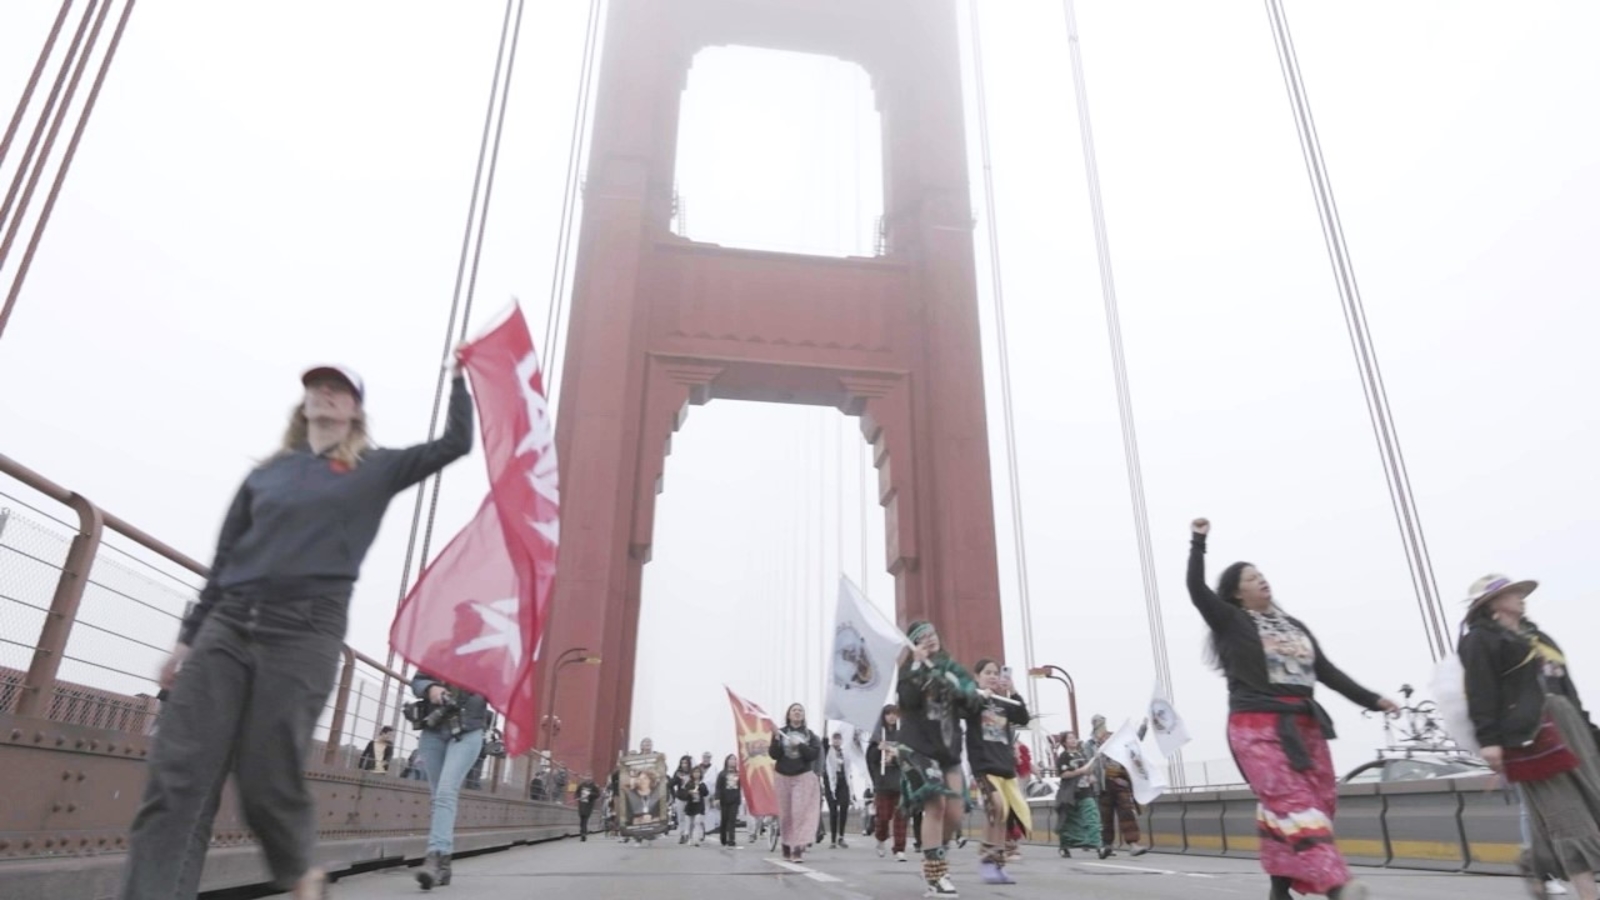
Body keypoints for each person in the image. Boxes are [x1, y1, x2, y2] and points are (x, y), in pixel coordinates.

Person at [117, 359, 473, 900]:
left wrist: (458, 381)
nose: (327, 394)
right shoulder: (267, 474)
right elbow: (226, 558)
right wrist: (188, 636)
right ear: (303, 403)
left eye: (340, 390)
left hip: (305, 629)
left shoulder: (375, 468)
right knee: (176, 778)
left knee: (266, 778)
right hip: (230, 624)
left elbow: (454, 444)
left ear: (355, 410)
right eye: (317, 388)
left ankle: (301, 874)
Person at [1187, 517, 1395, 900]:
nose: (1260, 580)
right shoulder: (1231, 621)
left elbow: (1327, 672)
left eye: (1261, 574)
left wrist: (1374, 700)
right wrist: (1197, 542)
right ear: (1235, 594)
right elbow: (1197, 590)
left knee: (1316, 805)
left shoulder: (1293, 625)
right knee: (1294, 804)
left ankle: (1279, 887)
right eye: (1250, 578)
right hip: (1256, 727)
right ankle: (1337, 885)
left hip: (1305, 726)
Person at [1459, 574, 1600, 900]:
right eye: (1513, 593)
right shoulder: (1480, 640)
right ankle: (1587, 892)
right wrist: (1489, 739)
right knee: (1567, 814)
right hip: (1531, 734)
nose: (1522, 597)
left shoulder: (1539, 637)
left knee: (1593, 803)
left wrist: (1589, 730)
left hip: (1569, 725)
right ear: (1492, 603)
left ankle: (1537, 862)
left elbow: (1566, 688)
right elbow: (1480, 692)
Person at [897, 620, 982, 898]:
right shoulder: (909, 671)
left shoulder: (953, 669)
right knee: (936, 804)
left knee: (955, 813)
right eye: (920, 637)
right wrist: (917, 666)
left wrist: (960, 691)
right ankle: (936, 874)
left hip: (948, 750)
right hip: (919, 748)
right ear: (913, 644)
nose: (928, 639)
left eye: (931, 633)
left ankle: (935, 855)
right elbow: (907, 700)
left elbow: (973, 704)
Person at [410, 672, 492, 890]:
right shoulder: (440, 647)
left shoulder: (490, 655)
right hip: (433, 730)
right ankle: (444, 865)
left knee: (446, 792)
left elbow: (503, 691)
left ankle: (434, 860)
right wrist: (430, 688)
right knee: (438, 796)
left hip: (468, 731)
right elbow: (417, 679)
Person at [965, 659, 1031, 884]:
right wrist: (979, 696)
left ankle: (998, 864)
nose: (992, 676)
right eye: (987, 672)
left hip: (1004, 765)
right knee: (997, 807)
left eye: (995, 673)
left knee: (1004, 815)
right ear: (977, 676)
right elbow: (963, 710)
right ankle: (986, 860)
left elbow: (1023, 718)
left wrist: (1012, 690)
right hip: (984, 765)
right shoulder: (974, 699)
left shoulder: (1002, 703)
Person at [769, 702, 822, 862]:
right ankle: (786, 844)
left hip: (802, 776)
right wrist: (776, 740)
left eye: (800, 710)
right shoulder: (781, 732)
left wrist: (800, 746)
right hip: (782, 776)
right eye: (794, 710)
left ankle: (797, 848)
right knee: (785, 814)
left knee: (799, 812)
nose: (797, 713)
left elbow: (813, 754)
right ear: (789, 714)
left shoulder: (810, 735)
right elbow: (774, 755)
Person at [866, 704, 909, 862]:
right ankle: (881, 838)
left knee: (901, 816)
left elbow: (910, 756)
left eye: (895, 714)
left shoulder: (903, 735)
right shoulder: (878, 735)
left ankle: (899, 848)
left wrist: (897, 756)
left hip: (900, 781)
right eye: (888, 714)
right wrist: (879, 750)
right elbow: (870, 759)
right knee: (883, 817)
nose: (892, 717)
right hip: (883, 782)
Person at [1053, 731, 1100, 857]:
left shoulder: (1081, 754)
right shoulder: (1064, 757)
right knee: (1069, 821)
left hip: (1085, 791)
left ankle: (1097, 845)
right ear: (1064, 742)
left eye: (1074, 738)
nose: (1073, 740)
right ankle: (1065, 845)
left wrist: (1091, 770)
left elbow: (1087, 770)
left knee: (1092, 816)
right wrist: (1080, 771)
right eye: (1070, 738)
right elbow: (1064, 774)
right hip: (1071, 793)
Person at [823, 731, 853, 849]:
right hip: (831, 782)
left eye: (838, 739)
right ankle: (833, 839)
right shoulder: (828, 751)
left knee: (844, 806)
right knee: (833, 810)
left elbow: (848, 768)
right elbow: (823, 746)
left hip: (843, 781)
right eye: (834, 739)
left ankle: (841, 836)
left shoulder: (844, 753)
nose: (837, 741)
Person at [714, 754, 743, 848]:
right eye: (731, 759)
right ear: (727, 761)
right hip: (724, 799)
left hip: (734, 799)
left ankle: (731, 839)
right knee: (724, 820)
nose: (733, 761)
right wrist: (717, 798)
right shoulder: (722, 774)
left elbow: (741, 786)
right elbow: (718, 787)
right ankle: (723, 837)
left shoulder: (738, 774)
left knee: (732, 820)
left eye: (735, 760)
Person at [576, 774, 600, 842]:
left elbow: (598, 794)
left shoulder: (594, 786)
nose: (588, 778)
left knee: (585, 819)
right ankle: (582, 832)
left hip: (589, 805)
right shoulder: (581, 785)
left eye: (589, 777)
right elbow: (577, 792)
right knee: (582, 819)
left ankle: (583, 834)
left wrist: (590, 794)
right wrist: (577, 797)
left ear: (591, 778)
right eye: (586, 777)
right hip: (582, 804)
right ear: (585, 777)